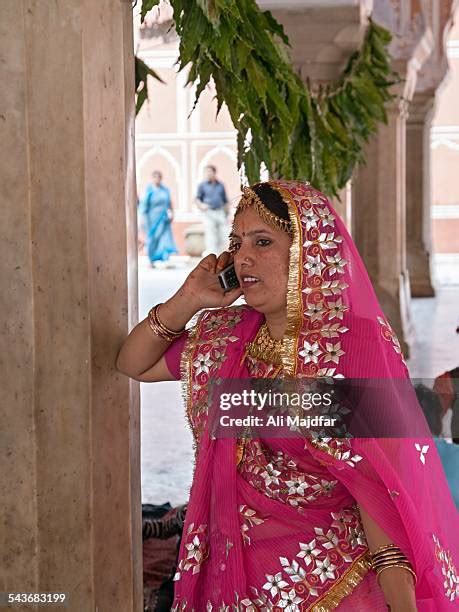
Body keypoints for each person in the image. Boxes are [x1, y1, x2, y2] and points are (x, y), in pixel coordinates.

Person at [117, 181, 459, 610]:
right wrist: (187, 299)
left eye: (263, 242)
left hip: (332, 582)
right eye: (237, 243)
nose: (243, 258)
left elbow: (376, 489)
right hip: (232, 579)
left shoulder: (351, 347)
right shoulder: (227, 339)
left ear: (308, 251)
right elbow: (134, 364)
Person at [139, 170, 178, 266]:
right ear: (152, 178)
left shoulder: (165, 190)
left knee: (165, 238)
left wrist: (172, 213)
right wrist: (142, 219)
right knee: (152, 238)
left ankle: (165, 258)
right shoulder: (149, 190)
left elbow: (169, 203)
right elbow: (143, 206)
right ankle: (151, 259)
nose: (157, 179)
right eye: (155, 177)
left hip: (163, 218)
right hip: (151, 219)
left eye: (159, 177)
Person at [195, 165, 229, 255]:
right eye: (206, 172)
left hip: (220, 212)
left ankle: (221, 255)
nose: (208, 174)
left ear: (214, 173)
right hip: (208, 212)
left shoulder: (220, 185)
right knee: (211, 235)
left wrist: (227, 213)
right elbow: (197, 199)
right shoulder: (202, 185)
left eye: (210, 172)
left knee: (223, 234)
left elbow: (225, 200)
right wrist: (201, 206)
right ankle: (212, 255)